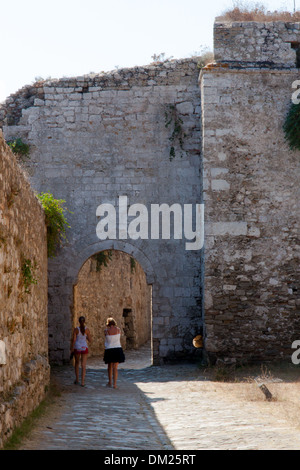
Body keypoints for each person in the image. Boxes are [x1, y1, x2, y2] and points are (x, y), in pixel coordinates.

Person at [104, 317, 125, 389]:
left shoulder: (106, 331)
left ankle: (110, 382)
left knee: (109, 367)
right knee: (115, 368)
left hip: (109, 349)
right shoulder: (118, 330)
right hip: (117, 349)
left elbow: (106, 339)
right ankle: (115, 384)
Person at [71, 316, 92, 387]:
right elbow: (90, 340)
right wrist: (86, 336)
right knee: (83, 365)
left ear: (79, 321)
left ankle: (77, 380)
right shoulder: (87, 330)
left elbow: (74, 340)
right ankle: (83, 382)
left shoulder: (76, 330)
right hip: (84, 347)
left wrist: (72, 348)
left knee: (77, 363)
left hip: (77, 347)